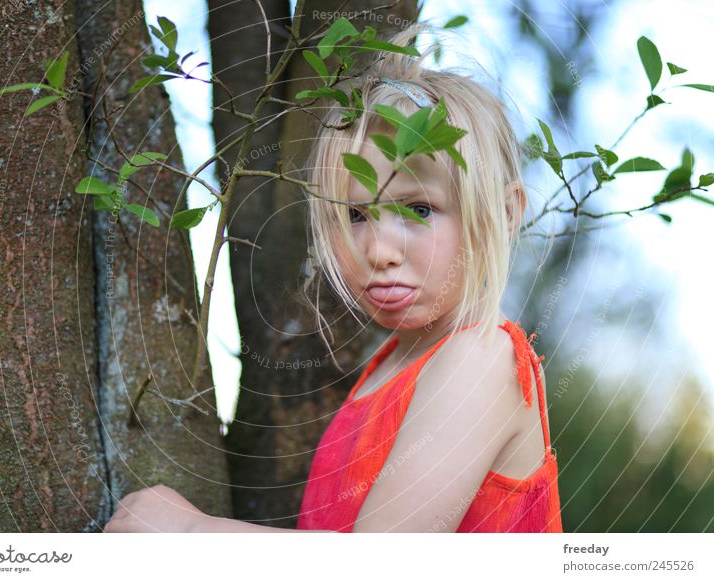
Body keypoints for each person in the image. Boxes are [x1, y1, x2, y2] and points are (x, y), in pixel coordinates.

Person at [103, 22, 562, 534]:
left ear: (503, 213)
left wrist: (189, 534)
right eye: (356, 215)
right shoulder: (395, 365)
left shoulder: (480, 361)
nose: (378, 252)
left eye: (418, 208)